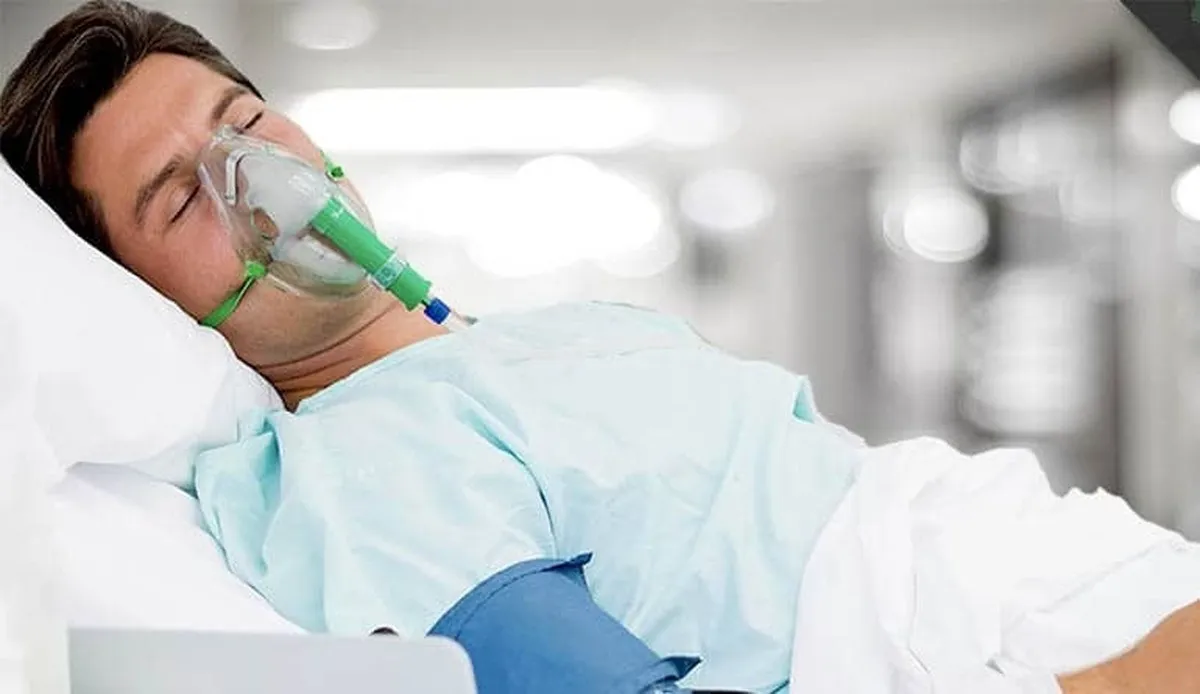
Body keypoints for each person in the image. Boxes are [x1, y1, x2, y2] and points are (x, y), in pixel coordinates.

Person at [2, 2, 1200, 693]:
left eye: (246, 123)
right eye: (183, 197)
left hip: (1016, 560)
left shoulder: (504, 348)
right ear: (146, 297)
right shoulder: (350, 472)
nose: (259, 182)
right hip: (985, 640)